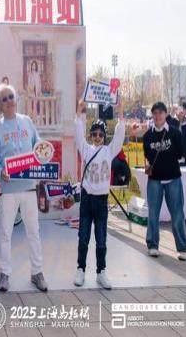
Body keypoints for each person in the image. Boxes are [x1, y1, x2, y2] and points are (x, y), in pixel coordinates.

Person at [0, 83, 48, 292]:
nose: (9, 101)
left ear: (16, 99)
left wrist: (44, 152)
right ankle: (4, 274)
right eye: (4, 99)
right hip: (8, 189)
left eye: (10, 96)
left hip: (29, 187)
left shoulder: (27, 122)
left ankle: (37, 273)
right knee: (5, 233)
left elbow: (39, 146)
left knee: (33, 231)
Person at [73, 100, 125, 289]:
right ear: (90, 135)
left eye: (100, 134)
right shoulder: (86, 149)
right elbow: (78, 134)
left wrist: (120, 114)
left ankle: (101, 272)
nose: (97, 137)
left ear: (104, 136)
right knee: (83, 237)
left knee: (101, 239)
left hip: (102, 201)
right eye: (94, 134)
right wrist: (79, 113)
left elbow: (119, 137)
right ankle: (80, 269)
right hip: (87, 200)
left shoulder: (109, 151)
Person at [143, 101, 186, 261]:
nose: (157, 116)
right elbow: (148, 156)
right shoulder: (147, 136)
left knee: (177, 214)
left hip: (173, 178)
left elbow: (180, 153)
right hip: (155, 180)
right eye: (155, 113)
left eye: (160, 113)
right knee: (153, 213)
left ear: (166, 114)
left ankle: (183, 247)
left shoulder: (175, 133)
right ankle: (152, 245)